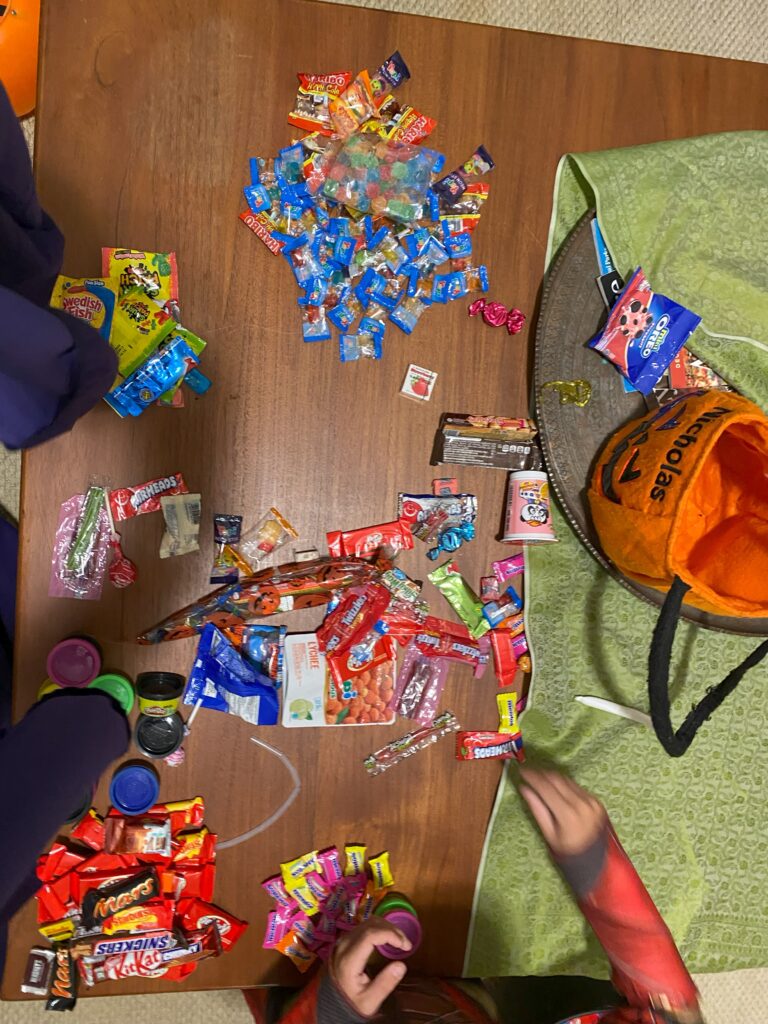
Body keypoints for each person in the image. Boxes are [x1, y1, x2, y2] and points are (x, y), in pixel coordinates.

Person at [247, 770, 703, 1024]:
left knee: (245, 933)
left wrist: (332, 1014)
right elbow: (671, 1009)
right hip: (470, 997)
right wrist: (599, 870)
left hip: (313, 995)